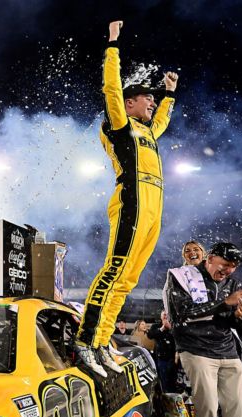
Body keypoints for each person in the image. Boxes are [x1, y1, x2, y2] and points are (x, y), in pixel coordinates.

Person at [75, 20, 178, 377]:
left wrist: (169, 94)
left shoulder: (150, 131)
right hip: (132, 200)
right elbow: (111, 88)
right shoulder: (120, 125)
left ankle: (102, 342)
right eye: (146, 99)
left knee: (129, 278)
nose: (152, 103)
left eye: (154, 100)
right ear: (129, 103)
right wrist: (114, 43)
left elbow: (162, 118)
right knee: (115, 269)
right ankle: (85, 341)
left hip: (154, 206)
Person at [165, 242, 242, 417]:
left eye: (233, 267)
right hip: (196, 350)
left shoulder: (232, 283)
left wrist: (240, 316)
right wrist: (224, 303)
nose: (229, 271)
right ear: (210, 258)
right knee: (208, 409)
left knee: (237, 409)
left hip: (228, 352)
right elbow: (182, 312)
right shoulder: (180, 276)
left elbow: (234, 323)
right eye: (226, 265)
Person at [147, 310, 177, 392]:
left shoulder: (174, 325)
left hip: (173, 359)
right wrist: (163, 328)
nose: (165, 316)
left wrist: (171, 328)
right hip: (161, 358)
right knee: (163, 381)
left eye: (167, 314)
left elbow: (179, 338)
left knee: (172, 381)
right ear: (160, 316)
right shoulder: (156, 326)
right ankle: (164, 397)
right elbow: (150, 335)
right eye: (163, 314)